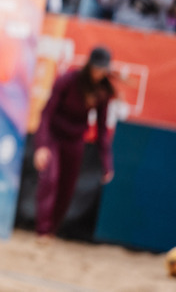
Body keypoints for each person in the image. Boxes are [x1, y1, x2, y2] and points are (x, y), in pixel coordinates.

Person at [33, 47, 117, 238]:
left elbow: (102, 130)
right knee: (50, 178)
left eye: (102, 69)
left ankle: (52, 230)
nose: (99, 72)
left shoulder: (103, 91)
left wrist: (107, 163)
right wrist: (41, 146)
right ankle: (42, 230)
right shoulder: (68, 80)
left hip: (75, 140)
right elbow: (46, 113)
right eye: (96, 68)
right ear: (89, 65)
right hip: (54, 136)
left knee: (67, 187)